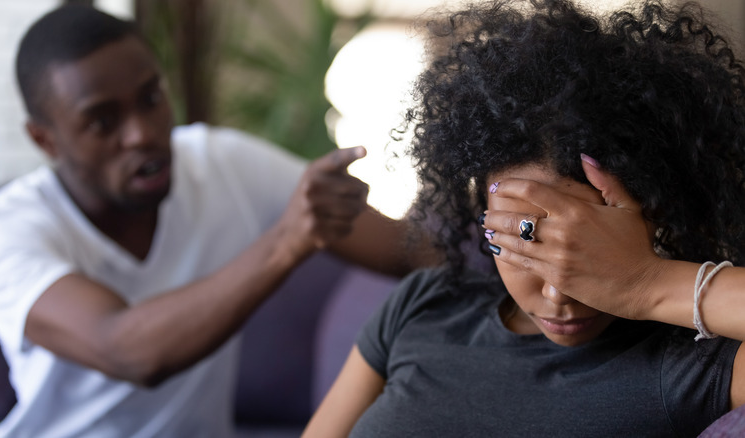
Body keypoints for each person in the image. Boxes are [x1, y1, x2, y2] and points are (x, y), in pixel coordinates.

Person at [0, 5, 437, 437]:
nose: (142, 134)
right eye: (103, 122)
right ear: (44, 140)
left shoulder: (220, 163)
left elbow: (410, 250)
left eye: (150, 99)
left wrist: (502, 235)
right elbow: (124, 349)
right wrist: (286, 242)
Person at [303, 0, 745, 436]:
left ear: (655, 212)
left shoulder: (688, 367)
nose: (558, 294)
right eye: (524, 238)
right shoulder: (425, 305)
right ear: (483, 211)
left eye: (584, 242)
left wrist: (646, 283)